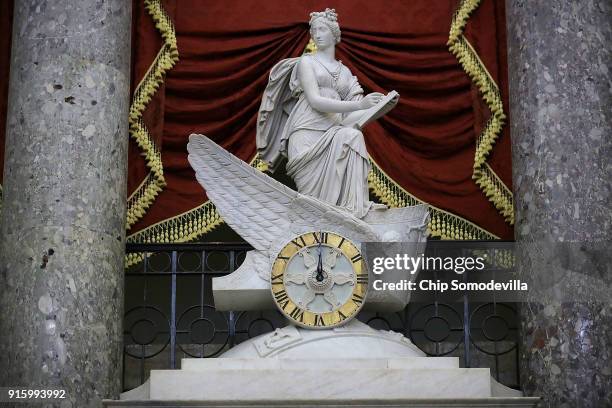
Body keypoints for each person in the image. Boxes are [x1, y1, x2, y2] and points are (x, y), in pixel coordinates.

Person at [256, 8, 398, 219]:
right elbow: (316, 101)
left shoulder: (346, 74)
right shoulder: (307, 62)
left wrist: (378, 108)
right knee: (313, 209)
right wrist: (360, 106)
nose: (317, 34)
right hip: (306, 132)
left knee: (353, 136)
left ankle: (355, 208)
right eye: (314, 30)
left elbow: (351, 121)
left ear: (334, 33)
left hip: (334, 131)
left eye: (322, 29)